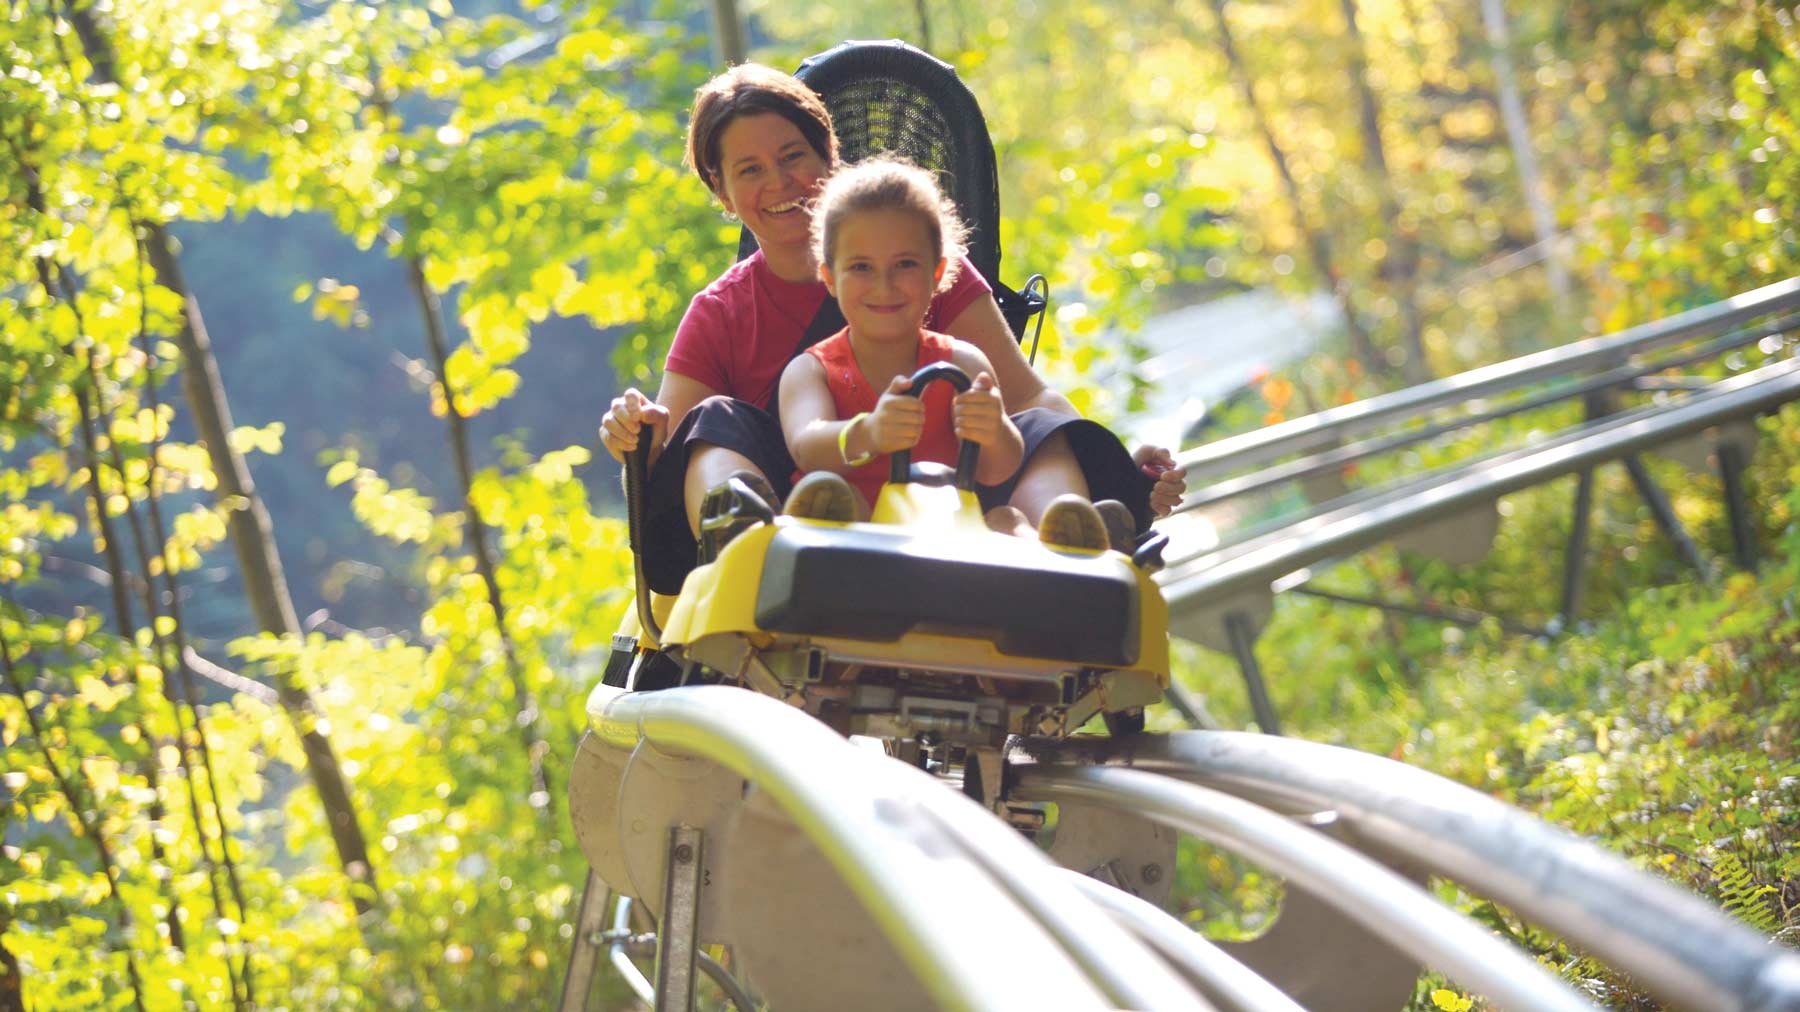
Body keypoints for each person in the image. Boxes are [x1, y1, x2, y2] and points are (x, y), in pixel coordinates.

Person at [599, 62, 1186, 592]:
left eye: (792, 156)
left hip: (952, 497)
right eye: (750, 169)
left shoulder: (927, 269)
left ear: (829, 155)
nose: (778, 182)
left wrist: (1118, 473)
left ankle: (1071, 537)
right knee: (711, 423)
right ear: (722, 192)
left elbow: (1029, 400)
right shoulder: (721, 313)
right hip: (807, 506)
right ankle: (747, 543)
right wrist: (637, 435)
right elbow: (668, 455)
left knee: (1042, 428)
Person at [777, 156, 1129, 550]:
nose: (884, 285)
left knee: (1005, 517)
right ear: (829, 278)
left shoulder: (964, 364)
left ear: (938, 273)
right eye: (861, 267)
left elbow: (1000, 470)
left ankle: (1064, 549)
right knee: (836, 497)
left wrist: (992, 429)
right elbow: (806, 447)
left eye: (905, 264)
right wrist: (870, 432)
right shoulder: (812, 371)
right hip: (859, 546)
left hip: (948, 536)